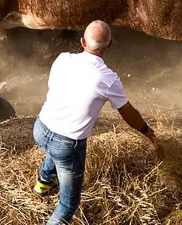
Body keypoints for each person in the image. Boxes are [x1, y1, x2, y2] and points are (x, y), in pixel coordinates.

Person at [33, 20, 156, 225]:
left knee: (53, 152)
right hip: (66, 143)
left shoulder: (62, 59)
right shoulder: (108, 79)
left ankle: (43, 185)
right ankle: (47, 189)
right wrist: (145, 129)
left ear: (82, 41)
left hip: (41, 128)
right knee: (68, 204)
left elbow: (53, 88)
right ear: (110, 44)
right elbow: (128, 113)